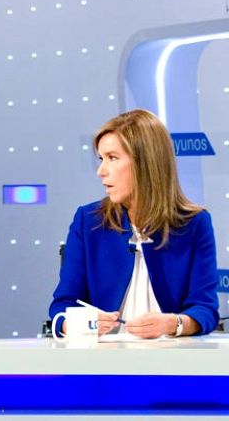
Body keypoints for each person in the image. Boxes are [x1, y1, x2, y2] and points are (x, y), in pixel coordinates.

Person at [49, 109, 219, 339]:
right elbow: (62, 306)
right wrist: (81, 324)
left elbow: (205, 309)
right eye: (101, 159)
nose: (101, 171)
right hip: (104, 356)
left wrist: (174, 323)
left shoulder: (194, 224)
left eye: (112, 158)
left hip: (173, 355)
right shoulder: (88, 221)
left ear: (145, 162)